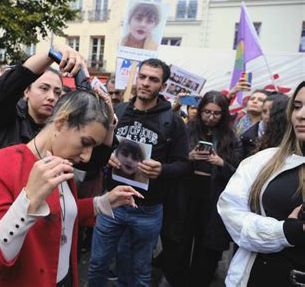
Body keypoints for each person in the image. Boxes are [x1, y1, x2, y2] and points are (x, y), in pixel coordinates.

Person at [0, 90, 144, 286]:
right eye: (85, 143)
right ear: (61, 123)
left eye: (92, 148)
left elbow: (58, 213)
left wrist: (100, 203)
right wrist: (28, 202)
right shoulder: (4, 163)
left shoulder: (61, 160)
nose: (86, 157)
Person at [88, 58, 190, 286]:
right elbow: (100, 147)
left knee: (138, 271)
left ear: (163, 86)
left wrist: (162, 169)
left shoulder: (172, 122)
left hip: (147, 209)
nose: (145, 83)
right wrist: (108, 157)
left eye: (153, 79)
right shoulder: (120, 111)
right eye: (142, 77)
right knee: (97, 264)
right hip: (112, 203)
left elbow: (183, 165)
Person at [217, 81, 305, 286]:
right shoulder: (263, 161)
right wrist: (284, 232)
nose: (301, 115)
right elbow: (231, 212)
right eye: (298, 106)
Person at [162, 91, 243, 287]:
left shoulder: (231, 137)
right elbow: (170, 160)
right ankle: (175, 279)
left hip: (213, 196)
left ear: (224, 114)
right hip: (185, 193)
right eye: (207, 112)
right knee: (179, 241)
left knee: (207, 246)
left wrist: (221, 163)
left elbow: (240, 173)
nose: (211, 117)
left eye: (216, 113)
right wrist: (188, 157)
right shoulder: (187, 129)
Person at [241, 92, 287, 157]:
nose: (267, 115)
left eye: (272, 111)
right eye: (264, 111)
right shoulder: (246, 137)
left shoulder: (292, 134)